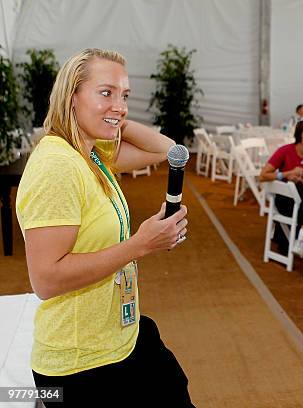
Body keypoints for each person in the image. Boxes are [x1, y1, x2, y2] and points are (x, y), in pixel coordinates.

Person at [15, 49, 193, 406]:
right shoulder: (57, 166)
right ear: (71, 96)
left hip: (116, 337)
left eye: (125, 96)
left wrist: (113, 117)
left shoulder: (89, 153)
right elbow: (46, 280)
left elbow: (168, 149)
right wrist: (140, 245)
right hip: (80, 366)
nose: (120, 104)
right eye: (106, 92)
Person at [260, 121, 303, 259]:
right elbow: (263, 175)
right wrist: (287, 174)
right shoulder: (285, 151)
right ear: (299, 135)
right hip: (287, 199)